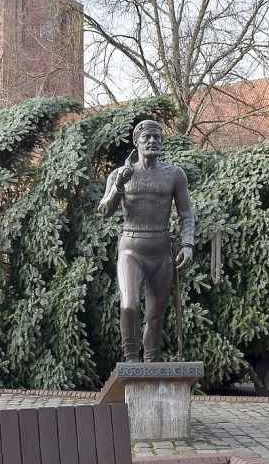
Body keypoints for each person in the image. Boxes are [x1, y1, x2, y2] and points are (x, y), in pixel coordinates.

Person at [98, 120, 195, 362]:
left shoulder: (174, 174)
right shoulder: (118, 175)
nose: (152, 141)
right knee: (130, 304)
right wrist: (119, 185)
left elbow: (186, 214)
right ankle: (131, 360)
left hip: (161, 252)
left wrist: (187, 244)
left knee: (155, 314)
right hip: (131, 249)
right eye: (146, 137)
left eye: (156, 137)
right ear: (136, 142)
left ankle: (152, 362)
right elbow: (104, 210)